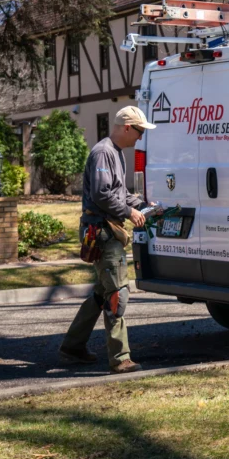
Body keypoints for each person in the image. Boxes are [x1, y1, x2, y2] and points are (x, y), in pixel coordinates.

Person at [59, 106, 155, 373]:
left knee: (103, 294)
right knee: (117, 294)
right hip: (101, 231)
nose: (140, 138)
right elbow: (102, 195)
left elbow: (119, 193)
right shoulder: (104, 153)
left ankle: (72, 347)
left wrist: (145, 205)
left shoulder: (115, 153)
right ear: (127, 127)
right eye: (139, 131)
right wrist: (129, 212)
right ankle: (120, 358)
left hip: (105, 229)